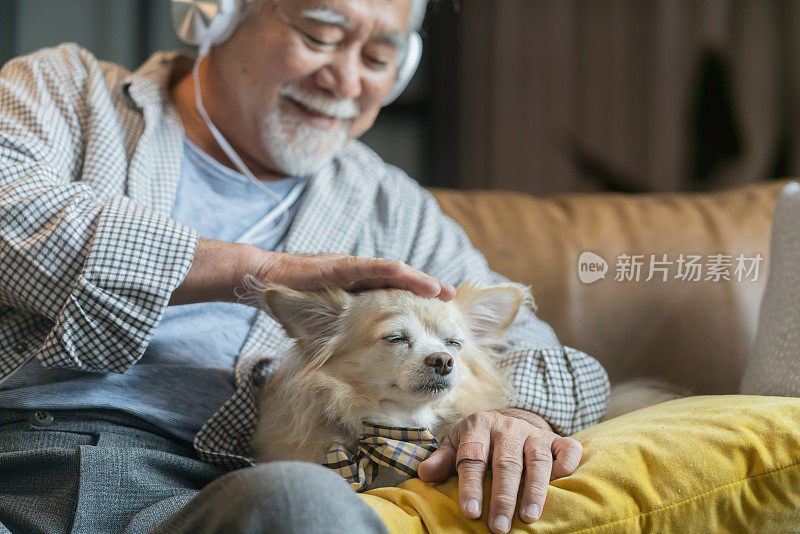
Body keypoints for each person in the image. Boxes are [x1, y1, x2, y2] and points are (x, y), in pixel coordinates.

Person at [0, 0, 610, 532]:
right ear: (216, 10)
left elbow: (547, 355)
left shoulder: (390, 207)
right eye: (319, 36)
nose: (344, 78)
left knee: (303, 499)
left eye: (377, 58)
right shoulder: (66, 90)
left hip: (207, 495)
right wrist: (261, 270)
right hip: (13, 452)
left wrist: (514, 413)